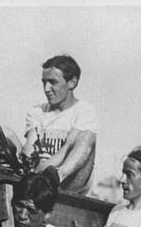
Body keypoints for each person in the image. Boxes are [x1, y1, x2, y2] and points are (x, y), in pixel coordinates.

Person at [22, 55, 97, 194]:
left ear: (72, 83)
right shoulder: (36, 112)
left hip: (69, 180)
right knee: (6, 134)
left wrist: (49, 172)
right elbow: (31, 144)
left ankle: (58, 175)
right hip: (38, 175)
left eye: (53, 82)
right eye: (44, 82)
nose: (46, 88)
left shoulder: (84, 110)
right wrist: (28, 159)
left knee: (87, 136)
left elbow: (68, 147)